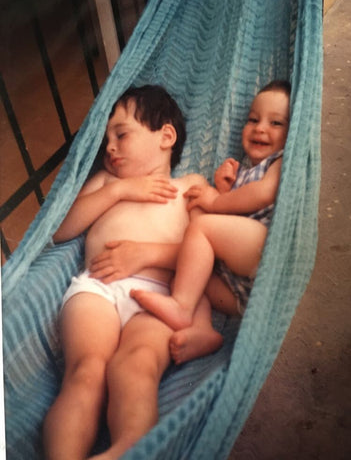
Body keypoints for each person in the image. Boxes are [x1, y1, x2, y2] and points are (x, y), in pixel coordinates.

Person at [42, 85, 222, 460]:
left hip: (157, 299)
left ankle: (126, 449)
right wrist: (120, 191)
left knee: (136, 367)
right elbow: (61, 229)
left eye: (121, 135)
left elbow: (206, 252)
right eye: (107, 139)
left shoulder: (190, 188)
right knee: (87, 371)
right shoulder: (107, 183)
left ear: (166, 137)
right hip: (98, 290)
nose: (109, 147)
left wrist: (145, 254)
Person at [130, 80, 291, 335]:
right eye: (253, 119)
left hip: (264, 245)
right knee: (188, 274)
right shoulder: (244, 168)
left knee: (202, 227)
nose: (260, 129)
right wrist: (225, 188)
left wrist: (216, 200)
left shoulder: (281, 161)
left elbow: (263, 194)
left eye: (276, 123)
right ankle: (201, 330)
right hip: (240, 293)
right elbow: (233, 218)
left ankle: (181, 306)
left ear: (293, 132)